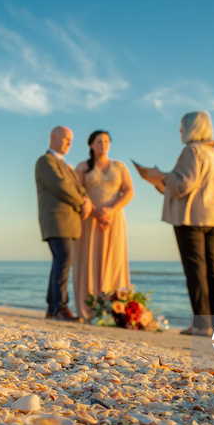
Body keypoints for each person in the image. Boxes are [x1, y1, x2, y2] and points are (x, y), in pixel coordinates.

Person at [139, 111, 214, 336]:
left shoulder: (192, 150)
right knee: (213, 269)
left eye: (182, 125)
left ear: (192, 127)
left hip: (192, 217)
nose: (179, 130)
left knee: (196, 270)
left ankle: (201, 325)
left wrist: (161, 176)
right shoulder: (212, 153)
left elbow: (185, 183)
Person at [72, 130, 134, 321]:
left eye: (106, 141)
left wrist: (110, 210)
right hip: (89, 220)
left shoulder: (119, 166)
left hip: (114, 220)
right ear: (91, 145)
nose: (103, 145)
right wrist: (96, 211)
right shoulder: (83, 166)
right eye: (99, 142)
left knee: (114, 261)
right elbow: (77, 191)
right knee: (89, 259)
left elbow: (129, 191)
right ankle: (89, 308)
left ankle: (114, 309)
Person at [35, 126, 92, 322]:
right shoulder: (45, 161)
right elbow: (61, 187)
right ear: (53, 138)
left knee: (61, 262)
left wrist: (85, 199)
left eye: (71, 140)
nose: (69, 143)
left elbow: (77, 187)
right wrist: (81, 201)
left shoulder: (67, 166)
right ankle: (60, 308)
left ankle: (52, 308)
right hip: (56, 219)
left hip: (69, 222)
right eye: (66, 139)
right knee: (63, 260)